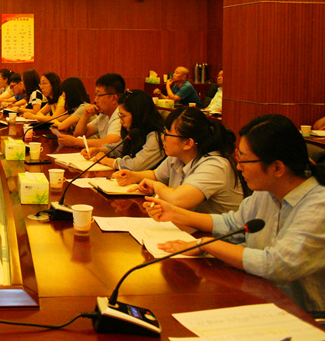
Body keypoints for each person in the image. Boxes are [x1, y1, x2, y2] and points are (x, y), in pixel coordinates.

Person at [147, 114, 325, 313]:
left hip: (306, 316)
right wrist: (176, 214)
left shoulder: (318, 206)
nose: (238, 167)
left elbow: (276, 264)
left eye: (244, 160)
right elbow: (233, 224)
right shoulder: (267, 192)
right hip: (259, 297)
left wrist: (207, 244)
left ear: (277, 167)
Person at [114, 106, 244, 214]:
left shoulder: (215, 165)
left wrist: (156, 186)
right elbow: (156, 175)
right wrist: (133, 176)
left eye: (167, 134)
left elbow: (178, 200)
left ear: (188, 143)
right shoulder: (178, 156)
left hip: (216, 235)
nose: (163, 137)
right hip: (188, 228)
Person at [82, 90, 165, 171]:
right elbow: (120, 148)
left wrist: (108, 161)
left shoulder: (157, 137)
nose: (121, 121)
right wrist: (99, 150)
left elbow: (137, 165)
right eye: (120, 116)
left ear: (137, 115)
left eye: (123, 116)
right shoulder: (135, 131)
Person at [58, 73, 125, 149]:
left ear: (114, 99)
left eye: (99, 95)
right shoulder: (104, 115)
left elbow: (110, 142)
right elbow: (79, 134)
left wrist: (75, 142)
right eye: (95, 95)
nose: (95, 100)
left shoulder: (120, 115)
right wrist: (85, 115)